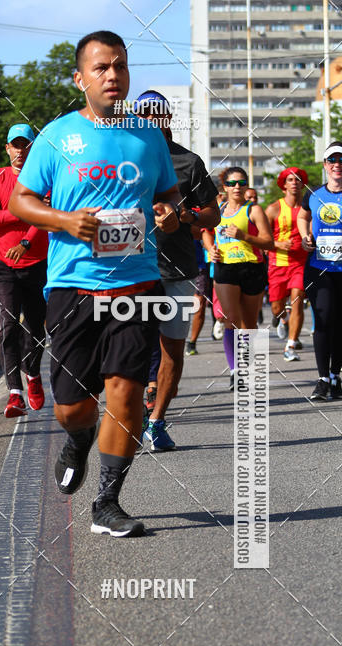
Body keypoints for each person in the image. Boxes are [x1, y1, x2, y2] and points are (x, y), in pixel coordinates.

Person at [9, 30, 181, 537]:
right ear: (81, 78)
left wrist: (169, 215)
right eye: (102, 67)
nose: (113, 75)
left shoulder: (148, 137)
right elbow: (22, 201)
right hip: (72, 288)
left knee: (126, 394)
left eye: (121, 66)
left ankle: (108, 502)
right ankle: (78, 439)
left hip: (136, 285)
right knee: (71, 407)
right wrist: (64, 221)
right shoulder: (57, 136)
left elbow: (167, 196)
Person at [135, 90, 220, 450]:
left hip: (178, 270)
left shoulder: (188, 161)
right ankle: (133, 411)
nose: (153, 118)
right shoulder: (125, 156)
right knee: (130, 349)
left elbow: (212, 213)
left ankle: (156, 422)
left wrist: (189, 217)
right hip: (132, 270)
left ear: (169, 118)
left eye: (159, 113)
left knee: (173, 348)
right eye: (145, 113)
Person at [0, 124, 48, 417]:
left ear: (33, 148)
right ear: (7, 148)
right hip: (3, 264)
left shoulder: (43, 177)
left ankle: (32, 374)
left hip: (36, 262)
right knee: (8, 327)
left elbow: (45, 216)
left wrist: (24, 240)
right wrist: (24, 209)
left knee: (35, 328)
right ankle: (14, 393)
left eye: (25, 145)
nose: (21, 151)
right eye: (15, 145)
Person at [210, 167, 273, 389]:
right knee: (231, 320)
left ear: (246, 185)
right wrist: (210, 249)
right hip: (225, 268)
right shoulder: (217, 210)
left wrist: (243, 236)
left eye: (241, 182)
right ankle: (235, 371)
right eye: (232, 183)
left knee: (249, 325)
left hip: (251, 268)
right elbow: (206, 232)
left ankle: (246, 368)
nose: (237, 187)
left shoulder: (253, 210)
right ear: (225, 187)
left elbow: (268, 242)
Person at [297, 141, 342, 401]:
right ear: (325, 165)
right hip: (319, 268)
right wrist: (305, 236)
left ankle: (336, 375)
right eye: (332, 160)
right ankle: (323, 378)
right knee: (323, 319)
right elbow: (303, 216)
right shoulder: (313, 194)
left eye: (341, 160)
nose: (337, 164)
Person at [265, 167, 308, 362]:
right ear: (284, 185)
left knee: (298, 298)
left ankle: (291, 344)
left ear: (302, 184)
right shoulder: (273, 209)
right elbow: (261, 238)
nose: (294, 182)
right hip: (277, 264)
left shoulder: (309, 208)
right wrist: (277, 244)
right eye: (290, 179)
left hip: (300, 263)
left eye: (298, 179)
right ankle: (282, 318)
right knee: (276, 307)